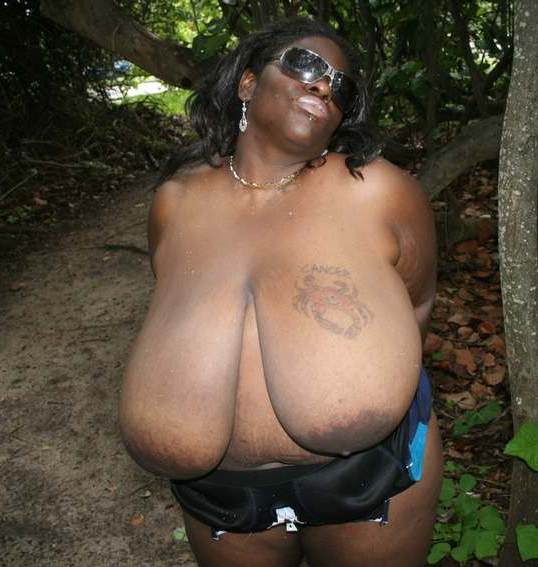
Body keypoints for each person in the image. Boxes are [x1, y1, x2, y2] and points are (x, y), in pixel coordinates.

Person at [120, 17, 441, 567]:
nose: (324, 86)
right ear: (247, 82)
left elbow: (418, 300)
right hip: (219, 500)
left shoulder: (381, 190)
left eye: (341, 87)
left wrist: (359, 380)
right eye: (305, 64)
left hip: (373, 477)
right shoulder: (175, 201)